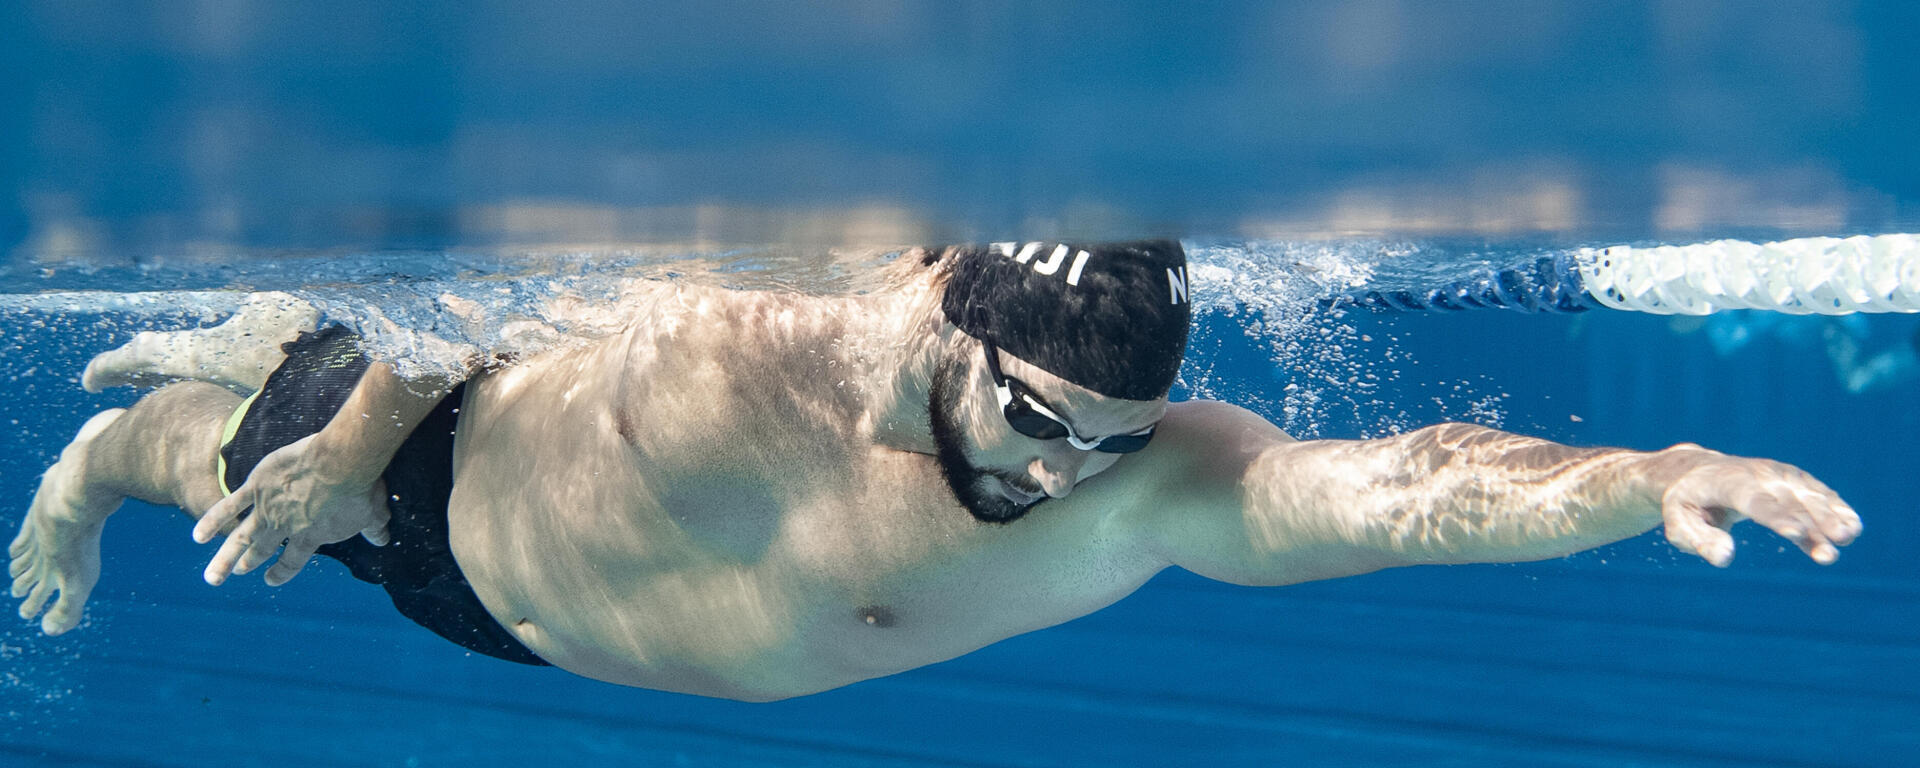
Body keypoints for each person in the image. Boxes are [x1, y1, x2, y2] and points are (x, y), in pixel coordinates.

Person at [9, 241, 1861, 701]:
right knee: (188, 452)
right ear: (949, 349)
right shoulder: (773, 331)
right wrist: (350, 439)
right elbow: (460, 282)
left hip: (530, 629)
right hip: (439, 490)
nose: (1067, 479)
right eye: (1038, 423)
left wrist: (1642, 471)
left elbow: (1390, 488)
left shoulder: (1148, 485)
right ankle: (114, 451)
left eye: (1110, 447)